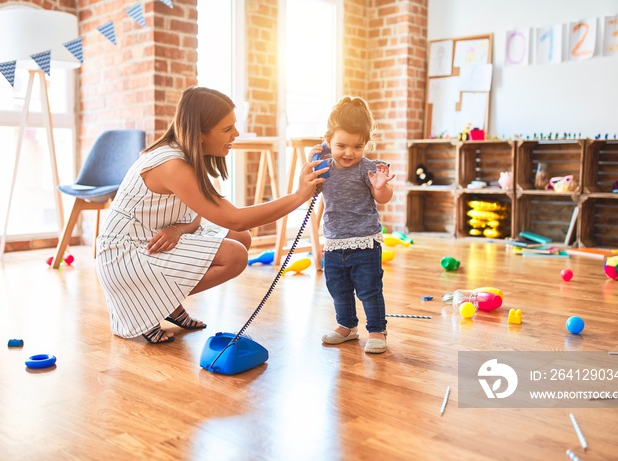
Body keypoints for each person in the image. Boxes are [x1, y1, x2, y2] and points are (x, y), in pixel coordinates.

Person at [96, 86, 327, 344]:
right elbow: (233, 217)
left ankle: (166, 302)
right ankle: (149, 304)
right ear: (200, 134)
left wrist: (178, 229)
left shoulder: (186, 154)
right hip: (125, 258)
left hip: (149, 243)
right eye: (227, 129)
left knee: (241, 238)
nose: (236, 134)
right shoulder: (172, 165)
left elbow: (199, 213)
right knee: (235, 256)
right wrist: (298, 196)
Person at [311, 96, 395, 354]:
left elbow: (383, 197)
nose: (349, 153)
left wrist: (381, 188)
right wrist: (312, 158)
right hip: (335, 241)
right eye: (341, 146)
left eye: (358, 146)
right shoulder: (323, 168)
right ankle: (346, 326)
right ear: (328, 140)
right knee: (337, 287)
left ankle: (377, 330)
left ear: (366, 144)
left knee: (369, 288)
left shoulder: (367, 169)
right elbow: (308, 188)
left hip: (365, 241)